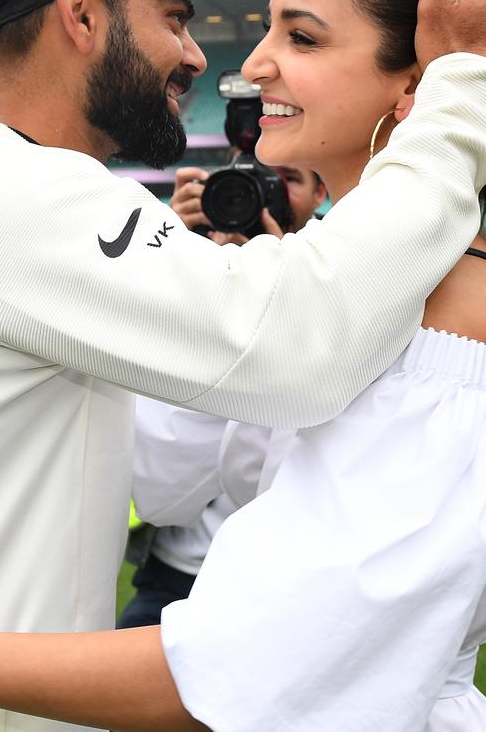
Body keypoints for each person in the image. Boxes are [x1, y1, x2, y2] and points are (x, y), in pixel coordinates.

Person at [0, 0, 486, 732]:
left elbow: (188, 509)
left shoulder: (452, 305)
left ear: (411, 83)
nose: (225, 60)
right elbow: (268, 376)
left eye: (298, 35)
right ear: (80, 13)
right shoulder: (14, 195)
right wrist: (465, 98)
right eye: (175, 15)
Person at [119, 166, 328, 629]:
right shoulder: (192, 261)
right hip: (175, 567)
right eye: (248, 182)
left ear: (321, 194)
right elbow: (155, 476)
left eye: (286, 182)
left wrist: (270, 287)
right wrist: (166, 250)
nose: (257, 197)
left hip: (275, 582)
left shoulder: (334, 278)